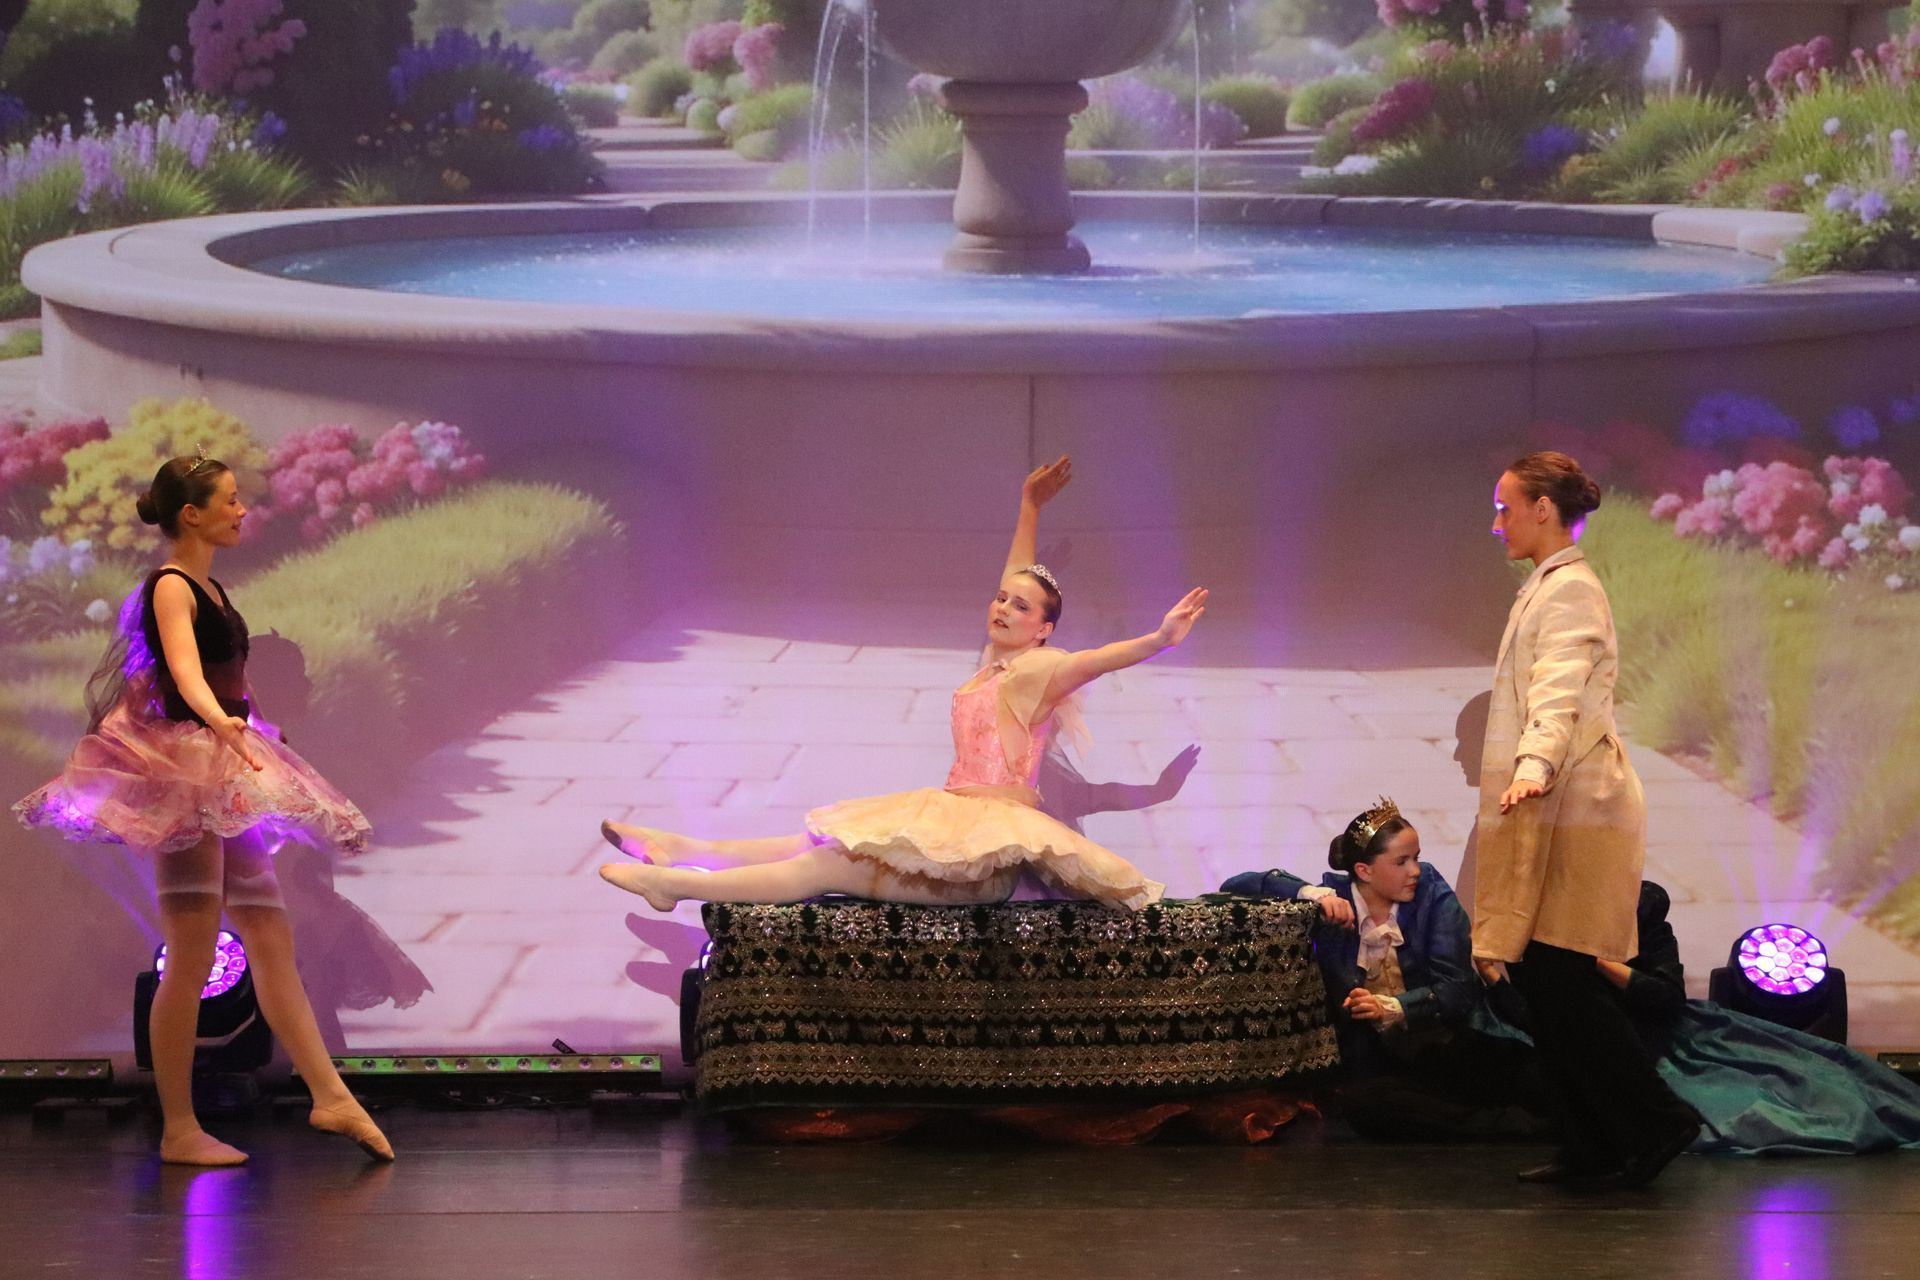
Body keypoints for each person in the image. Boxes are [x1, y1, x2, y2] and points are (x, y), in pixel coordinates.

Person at [599, 455, 1201, 912]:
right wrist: (1029, 506)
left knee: (823, 867)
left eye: (1020, 608)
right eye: (1000, 599)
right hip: (954, 821)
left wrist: (1158, 640)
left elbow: (1095, 660)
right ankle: (678, 850)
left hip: (981, 856)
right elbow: (1017, 574)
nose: (1002, 608)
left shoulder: (1038, 669)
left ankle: (673, 885)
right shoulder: (992, 667)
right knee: (810, 844)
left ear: (1043, 631)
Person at [13, 455, 391, 1167]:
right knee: (189, 955)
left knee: (271, 936)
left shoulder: (212, 587)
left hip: (220, 768)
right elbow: (185, 672)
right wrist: (222, 724)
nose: (242, 510)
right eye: (229, 500)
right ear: (192, 514)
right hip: (183, 774)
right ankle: (180, 1127)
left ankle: (329, 1094)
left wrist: (253, 728)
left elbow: (225, 676)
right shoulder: (170, 586)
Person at [1470, 450, 1700, 1187]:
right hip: (1554, 803)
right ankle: (1592, 1141)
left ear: (1543, 509)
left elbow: (1559, 691)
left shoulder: (1570, 591)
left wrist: (1534, 767)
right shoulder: (1547, 585)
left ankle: (1657, 1119)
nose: (1498, 523)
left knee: (1562, 978)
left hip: (1576, 806)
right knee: (1546, 981)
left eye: (1506, 507)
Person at [1220, 799, 1543, 1141]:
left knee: (1531, 1080)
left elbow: (1458, 989)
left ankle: (1510, 1123)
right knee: (1365, 1103)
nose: (1415, 870)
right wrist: (1310, 893)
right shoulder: (1335, 901)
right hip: (1389, 1062)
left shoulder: (1432, 894)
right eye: (1401, 862)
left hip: (1455, 1044)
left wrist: (1393, 1007)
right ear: (1364, 871)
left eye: (1416, 857)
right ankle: (1504, 1127)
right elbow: (1237, 884)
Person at [1604, 883, 1920, 1156]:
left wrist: (1603, 963)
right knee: (1758, 1103)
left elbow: (1667, 998)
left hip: (1687, 1034)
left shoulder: (1647, 913)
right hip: (1637, 1051)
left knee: (1815, 1071)